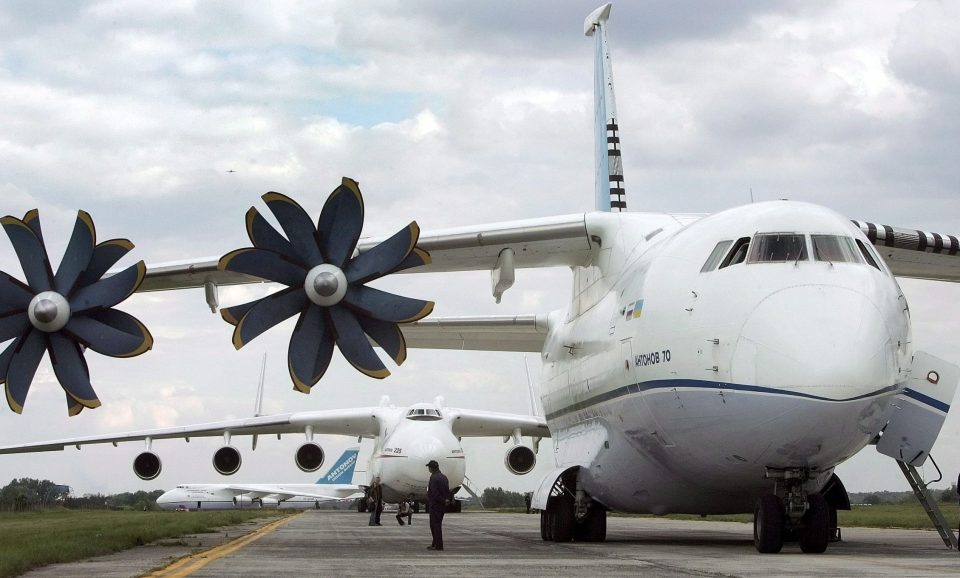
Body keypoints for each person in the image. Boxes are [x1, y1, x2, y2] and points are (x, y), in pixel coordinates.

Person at [426, 459, 450, 550]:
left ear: (432, 468)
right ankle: (434, 543)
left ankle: (438, 545)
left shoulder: (433, 477)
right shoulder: (444, 477)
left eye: (429, 467)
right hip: (442, 505)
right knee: (437, 524)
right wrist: (446, 500)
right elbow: (447, 491)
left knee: (435, 525)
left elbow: (434, 493)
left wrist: (441, 500)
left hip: (435, 504)